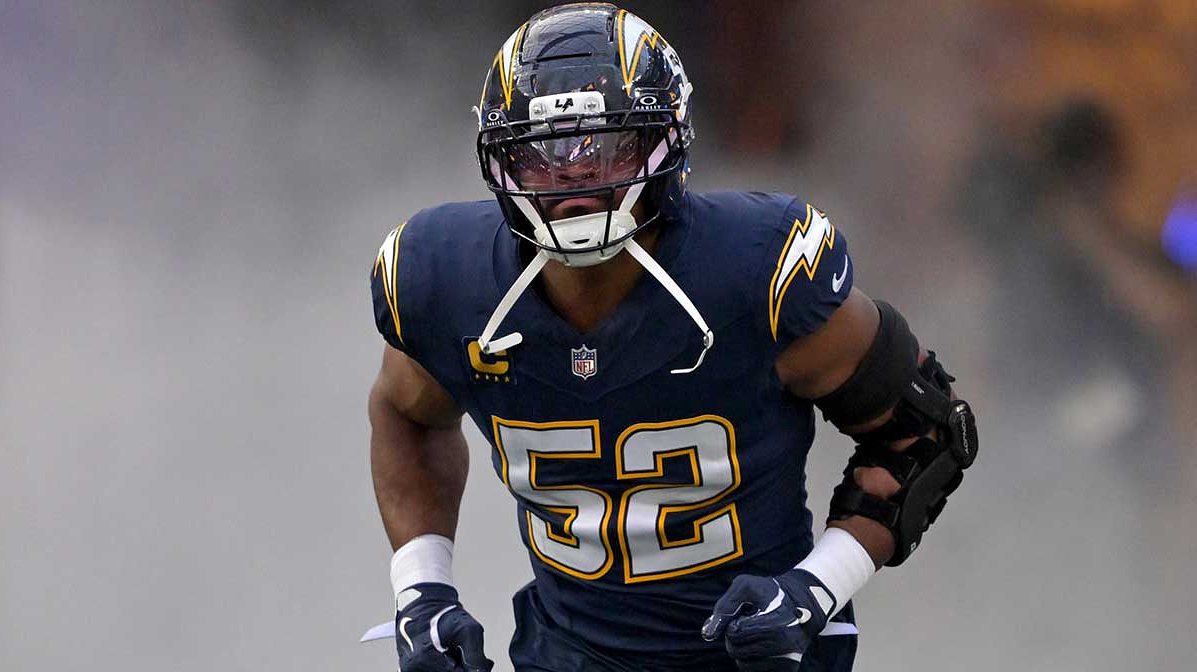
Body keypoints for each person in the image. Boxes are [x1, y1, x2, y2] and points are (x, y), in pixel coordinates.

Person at [367, 4, 977, 671]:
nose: (576, 180)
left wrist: (816, 587)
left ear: (668, 135)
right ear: (500, 157)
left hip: (763, 654)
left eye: (606, 146)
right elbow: (405, 415)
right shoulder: (444, 280)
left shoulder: (753, 271)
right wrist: (422, 588)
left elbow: (927, 430)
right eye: (543, 152)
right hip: (568, 656)